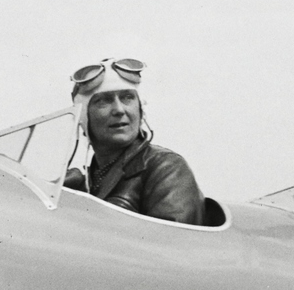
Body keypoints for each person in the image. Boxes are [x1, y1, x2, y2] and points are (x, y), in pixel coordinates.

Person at [62, 58, 205, 225]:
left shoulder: (165, 168)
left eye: (127, 97)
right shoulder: (85, 182)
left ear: (140, 109)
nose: (119, 110)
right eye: (104, 101)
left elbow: (172, 243)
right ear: (84, 117)